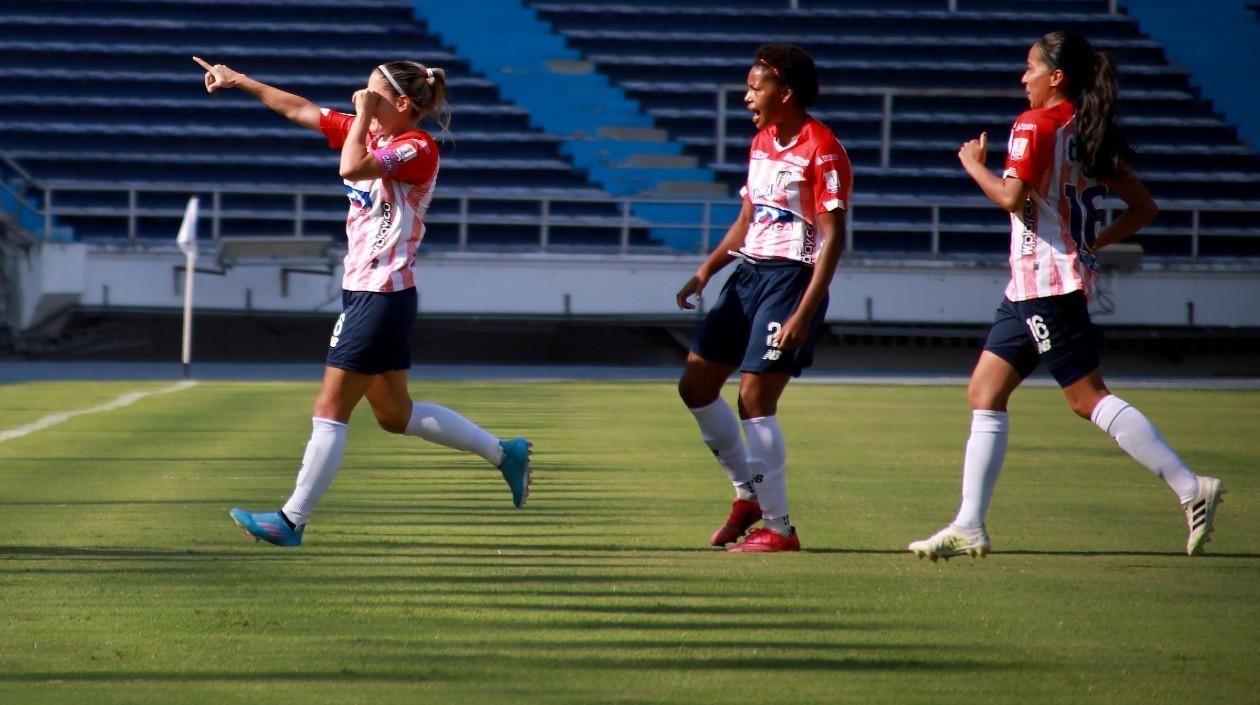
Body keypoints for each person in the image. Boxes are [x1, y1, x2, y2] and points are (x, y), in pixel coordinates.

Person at [191, 56, 532, 547]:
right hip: (370, 294)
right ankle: (506, 453)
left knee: (330, 407)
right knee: (395, 416)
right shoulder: (371, 131)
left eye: (372, 94)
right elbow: (299, 110)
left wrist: (362, 118)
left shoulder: (417, 146)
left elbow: (349, 166)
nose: (360, 98)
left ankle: (291, 520)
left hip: (382, 294)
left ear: (400, 103)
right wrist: (239, 80)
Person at [907, 32, 1223, 561]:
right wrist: (1089, 242)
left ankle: (1190, 486)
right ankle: (968, 524)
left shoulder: (1033, 125)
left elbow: (1011, 198)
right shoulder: (1087, 130)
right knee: (985, 392)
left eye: (1030, 67)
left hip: (1047, 284)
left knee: (1086, 398)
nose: (1022, 77)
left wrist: (972, 164)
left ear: (1056, 77)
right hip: (1033, 284)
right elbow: (1144, 208)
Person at [676, 44, 852, 553]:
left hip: (791, 280)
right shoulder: (760, 142)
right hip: (748, 276)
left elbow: (833, 237)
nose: (747, 95)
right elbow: (749, 219)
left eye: (756, 87)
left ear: (786, 92)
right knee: (696, 384)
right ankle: (746, 495)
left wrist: (804, 309)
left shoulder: (823, 149)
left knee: (754, 399)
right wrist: (707, 271)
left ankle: (779, 527)